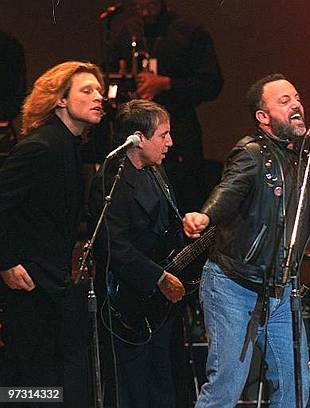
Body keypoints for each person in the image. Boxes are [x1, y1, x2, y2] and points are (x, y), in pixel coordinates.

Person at [183, 74, 310, 407]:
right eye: (284, 101)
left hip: (279, 290)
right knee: (227, 385)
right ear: (263, 117)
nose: (296, 104)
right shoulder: (251, 153)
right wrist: (206, 215)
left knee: (295, 384)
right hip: (233, 285)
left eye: (296, 97)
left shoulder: (300, 160)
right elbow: (229, 189)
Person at [0, 61, 105, 407]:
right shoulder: (41, 147)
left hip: (50, 283)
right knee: (31, 382)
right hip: (28, 283)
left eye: (99, 90)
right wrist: (6, 262)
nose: (98, 97)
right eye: (86, 91)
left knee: (46, 382)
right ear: (60, 100)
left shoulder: (69, 146)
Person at [89, 99, 186, 407]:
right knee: (134, 386)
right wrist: (157, 277)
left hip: (159, 303)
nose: (170, 142)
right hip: (128, 302)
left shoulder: (157, 172)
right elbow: (113, 245)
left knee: (163, 381)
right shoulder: (111, 179)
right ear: (138, 138)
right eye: (163, 135)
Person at [110, 0, 223, 213]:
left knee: (183, 199)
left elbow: (212, 83)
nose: (143, 9)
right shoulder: (127, 31)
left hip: (179, 133)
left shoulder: (189, 31)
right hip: (136, 131)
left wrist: (166, 84)